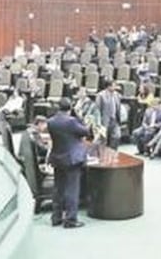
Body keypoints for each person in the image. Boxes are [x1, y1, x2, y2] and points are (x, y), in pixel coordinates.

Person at [47, 98, 90, 228]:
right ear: (70, 108)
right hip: (72, 160)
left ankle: (56, 217)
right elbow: (86, 131)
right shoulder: (71, 122)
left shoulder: (51, 122)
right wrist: (78, 117)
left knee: (58, 189)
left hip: (57, 158)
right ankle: (70, 220)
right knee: (72, 189)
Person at [96, 79, 123, 149]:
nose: (116, 87)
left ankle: (113, 152)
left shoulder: (117, 95)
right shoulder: (100, 95)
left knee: (117, 136)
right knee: (103, 140)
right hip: (104, 121)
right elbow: (97, 110)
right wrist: (98, 122)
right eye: (114, 85)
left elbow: (118, 107)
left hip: (115, 120)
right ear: (108, 86)